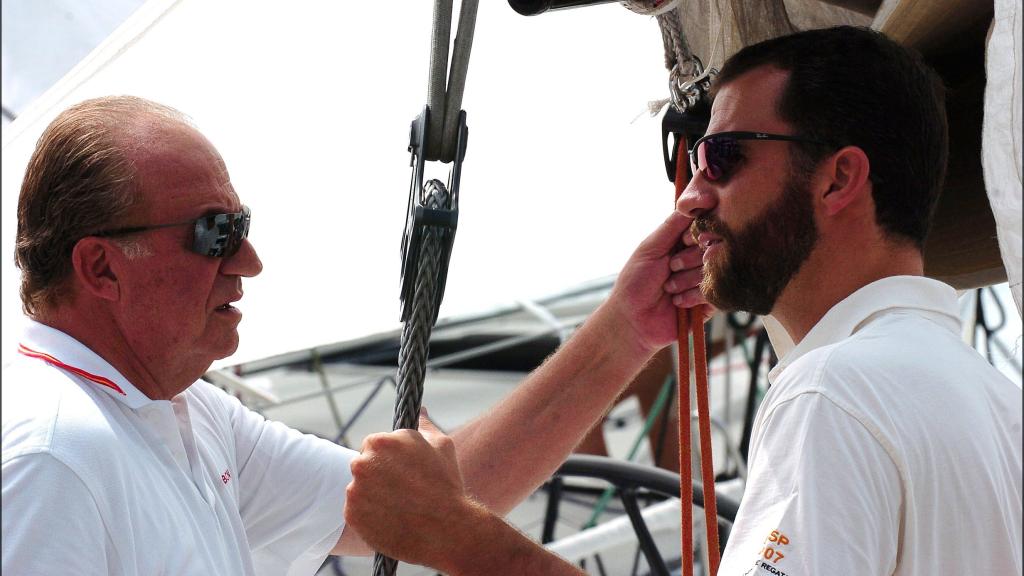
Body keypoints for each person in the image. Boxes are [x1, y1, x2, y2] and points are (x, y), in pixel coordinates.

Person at [342, 26, 1023, 575]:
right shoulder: (998, 405)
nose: (693, 194)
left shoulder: (833, 392)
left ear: (838, 178)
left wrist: (462, 536)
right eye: (693, 158)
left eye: (723, 157)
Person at [0, 95, 706, 574]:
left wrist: (625, 333)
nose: (249, 261)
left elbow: (420, 508)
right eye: (215, 234)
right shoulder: (53, 462)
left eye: (241, 228)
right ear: (99, 267)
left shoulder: (183, 413)